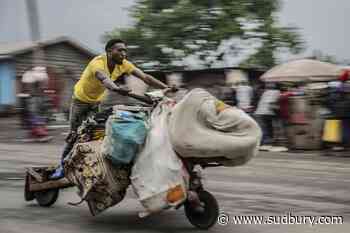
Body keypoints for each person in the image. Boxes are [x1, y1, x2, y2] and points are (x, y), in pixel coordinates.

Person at [50, 39, 170, 179]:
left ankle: (91, 164)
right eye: (119, 50)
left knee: (95, 134)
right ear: (109, 51)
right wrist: (117, 88)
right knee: (74, 136)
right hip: (79, 102)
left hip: (95, 103)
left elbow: (145, 77)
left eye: (125, 50)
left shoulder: (124, 64)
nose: (123, 54)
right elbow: (104, 79)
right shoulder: (97, 63)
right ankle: (62, 167)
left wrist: (165, 87)